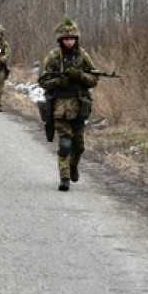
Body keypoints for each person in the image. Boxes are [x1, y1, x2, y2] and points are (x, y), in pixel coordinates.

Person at [38, 17, 98, 192]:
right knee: (65, 144)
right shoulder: (53, 57)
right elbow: (43, 80)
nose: (69, 42)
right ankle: (64, 178)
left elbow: (94, 79)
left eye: (72, 38)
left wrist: (80, 76)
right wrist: (59, 81)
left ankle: (73, 166)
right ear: (60, 40)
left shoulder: (82, 56)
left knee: (79, 146)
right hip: (59, 107)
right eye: (66, 39)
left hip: (79, 106)